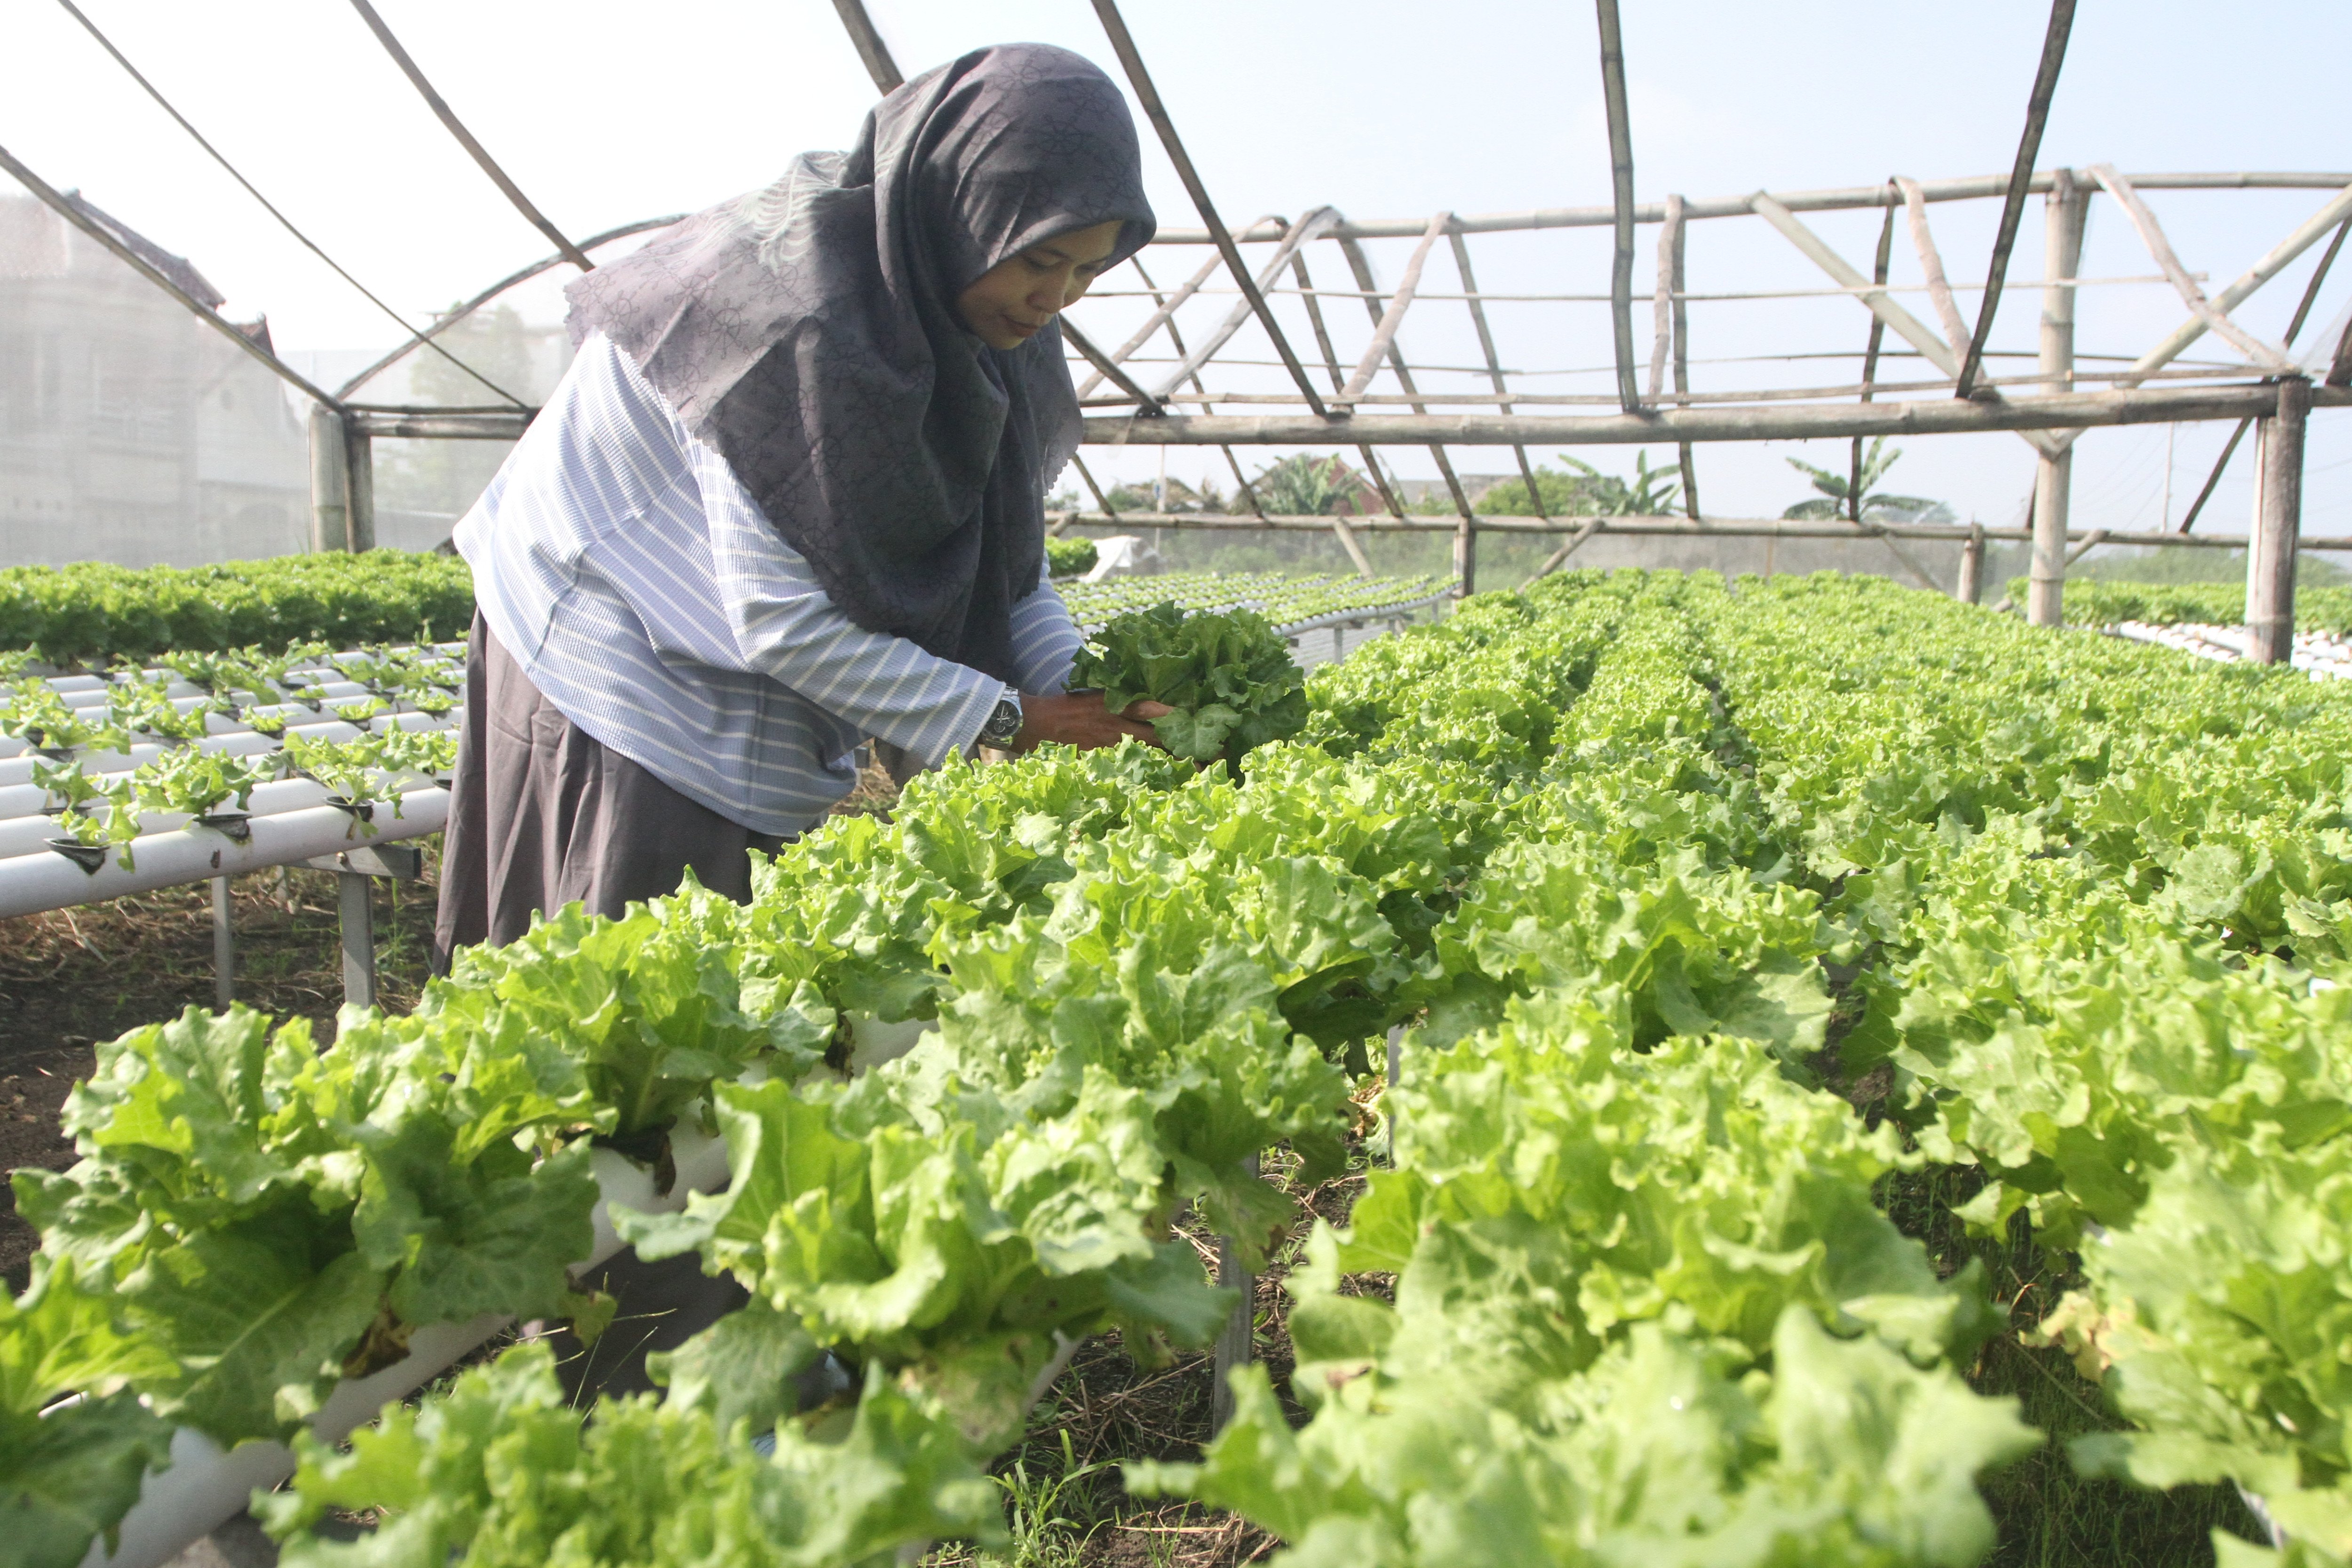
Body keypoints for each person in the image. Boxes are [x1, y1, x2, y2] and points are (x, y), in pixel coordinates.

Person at [433, 43, 1164, 969]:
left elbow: (1008, 573)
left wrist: (1082, 689)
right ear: (963, 213)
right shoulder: (794, 315)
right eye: (1039, 259)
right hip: (612, 651)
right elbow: (780, 624)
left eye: (1087, 272)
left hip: (727, 654)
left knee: (728, 992)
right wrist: (1015, 719)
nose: (1055, 298)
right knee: (618, 988)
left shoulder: (977, 324)